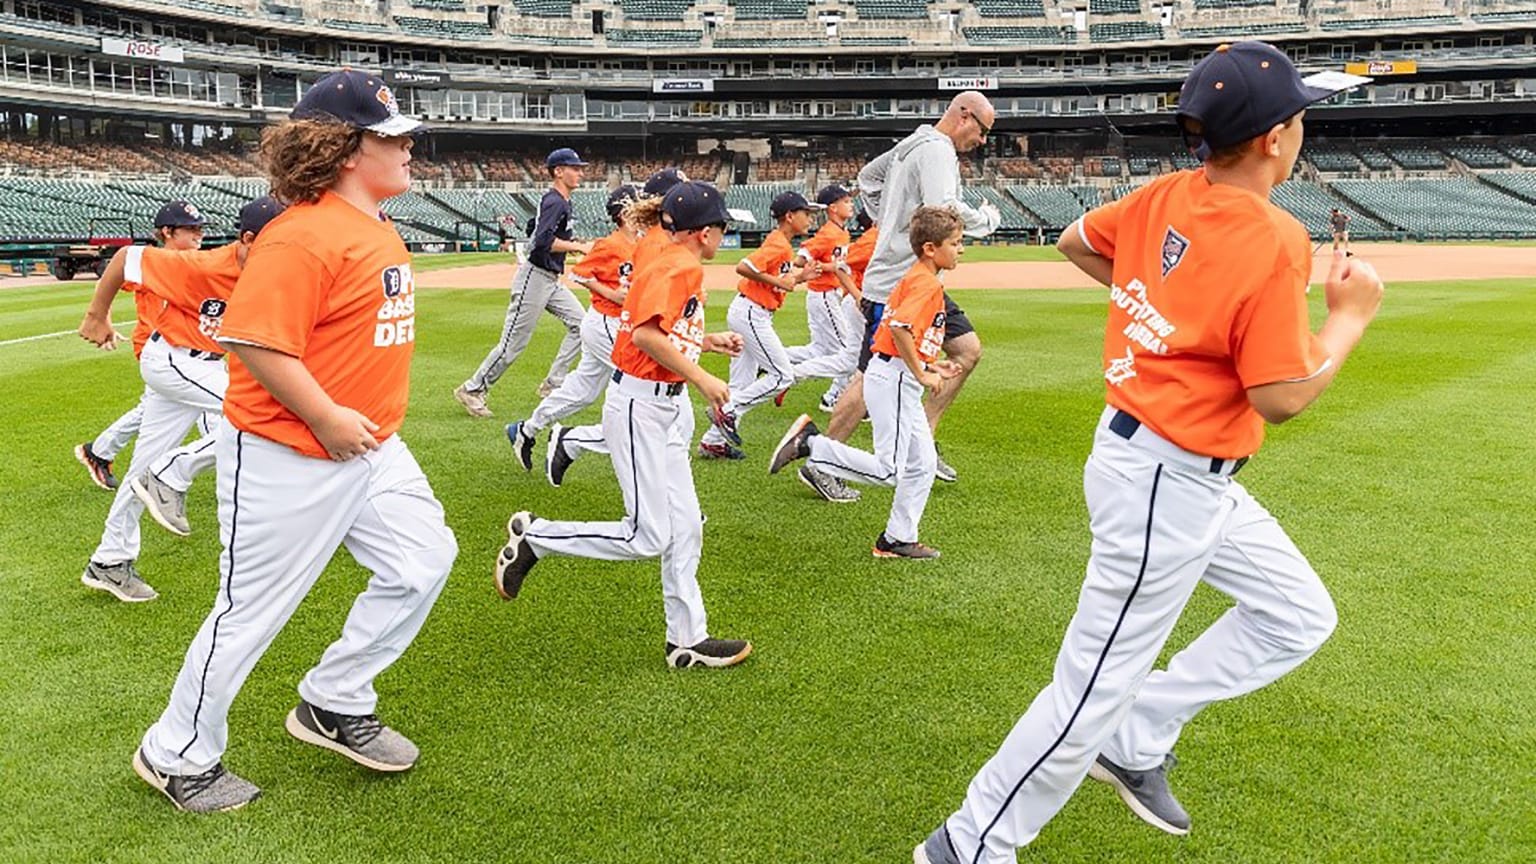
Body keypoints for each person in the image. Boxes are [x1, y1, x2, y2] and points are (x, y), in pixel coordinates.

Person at [914, 42, 1382, 863]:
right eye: (1298, 114)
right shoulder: (1276, 236)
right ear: (1274, 137)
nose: (1302, 125)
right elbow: (1281, 397)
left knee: (1297, 615)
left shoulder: (1170, 191)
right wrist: (1348, 318)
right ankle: (970, 844)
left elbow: (1073, 241)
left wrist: (1165, 316)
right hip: (1168, 474)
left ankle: (1139, 736)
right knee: (1090, 685)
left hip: (1169, 465)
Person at [133, 69, 457, 813]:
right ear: (347, 149)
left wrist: (354, 426)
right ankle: (174, 752)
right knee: (248, 612)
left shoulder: (371, 221)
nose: (409, 147)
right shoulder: (303, 235)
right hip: (289, 452)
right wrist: (327, 418)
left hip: (370, 448)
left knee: (422, 561)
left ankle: (333, 698)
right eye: (392, 136)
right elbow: (253, 339)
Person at [492, 180, 753, 670]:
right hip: (641, 408)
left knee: (687, 527)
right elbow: (645, 333)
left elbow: (660, 329)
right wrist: (701, 376)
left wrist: (707, 343)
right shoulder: (678, 264)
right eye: (722, 227)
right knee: (648, 535)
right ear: (703, 232)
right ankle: (537, 538)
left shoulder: (670, 257)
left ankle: (686, 640)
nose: (725, 236)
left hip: (659, 404)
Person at [78, 196, 288, 544]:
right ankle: (172, 475)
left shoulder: (268, 271)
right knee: (259, 417)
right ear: (249, 239)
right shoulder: (199, 265)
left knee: (142, 468)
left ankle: (111, 558)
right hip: (173, 359)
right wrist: (96, 316)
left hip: (199, 363)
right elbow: (126, 258)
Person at [826, 91, 1002, 484]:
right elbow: (943, 209)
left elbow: (868, 178)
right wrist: (987, 220)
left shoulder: (912, 143)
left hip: (909, 279)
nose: (983, 141)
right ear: (965, 115)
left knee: (967, 350)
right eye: (984, 130)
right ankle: (822, 459)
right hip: (898, 283)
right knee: (868, 378)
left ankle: (922, 443)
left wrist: (887, 219)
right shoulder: (938, 149)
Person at [769, 206, 965, 558]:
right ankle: (811, 445)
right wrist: (922, 373)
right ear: (930, 248)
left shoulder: (914, 276)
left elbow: (905, 334)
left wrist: (933, 364)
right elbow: (899, 328)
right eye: (955, 242)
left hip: (893, 372)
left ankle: (896, 538)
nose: (961, 249)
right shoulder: (925, 282)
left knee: (922, 465)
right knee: (890, 470)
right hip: (896, 380)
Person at [505, 185, 641, 485]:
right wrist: (611, 294)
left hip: (613, 323)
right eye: (636, 206)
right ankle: (588, 442)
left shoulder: (638, 244)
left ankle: (526, 430)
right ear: (623, 213)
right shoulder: (611, 244)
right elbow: (580, 273)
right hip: (606, 321)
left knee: (583, 391)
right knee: (637, 385)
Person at [73, 203, 208, 491]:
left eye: (200, 228)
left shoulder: (196, 261)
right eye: (191, 228)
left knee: (156, 408)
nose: (199, 234)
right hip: (156, 345)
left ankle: (100, 451)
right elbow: (110, 280)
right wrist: (101, 317)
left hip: (183, 346)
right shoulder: (152, 261)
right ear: (167, 232)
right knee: (203, 407)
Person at [455, 147, 593, 417]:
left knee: (582, 325)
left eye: (580, 168)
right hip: (535, 276)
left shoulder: (562, 201)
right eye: (574, 168)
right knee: (513, 343)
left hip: (551, 279)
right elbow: (541, 241)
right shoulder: (555, 200)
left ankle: (554, 384)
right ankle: (473, 389)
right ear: (558, 171)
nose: (580, 172)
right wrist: (578, 246)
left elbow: (535, 228)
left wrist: (571, 245)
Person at [696, 190, 822, 460]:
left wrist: (800, 277)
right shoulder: (778, 243)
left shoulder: (783, 244)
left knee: (741, 382)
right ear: (790, 216)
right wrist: (781, 282)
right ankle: (727, 411)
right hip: (752, 314)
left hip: (750, 311)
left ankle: (712, 443)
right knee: (782, 376)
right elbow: (743, 267)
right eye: (806, 213)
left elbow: (780, 279)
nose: (810, 218)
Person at [795, 205, 878, 504]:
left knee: (855, 364)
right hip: (849, 303)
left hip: (849, 301)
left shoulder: (869, 235)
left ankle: (833, 399)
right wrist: (859, 298)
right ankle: (790, 375)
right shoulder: (873, 237)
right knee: (849, 361)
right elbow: (840, 264)